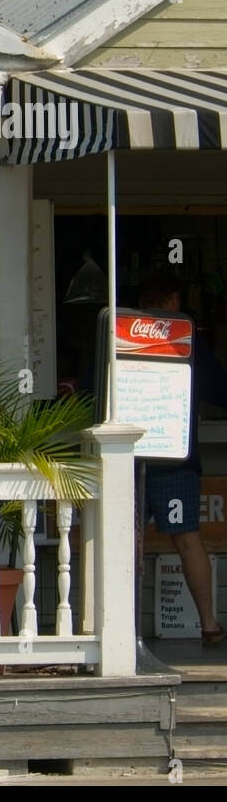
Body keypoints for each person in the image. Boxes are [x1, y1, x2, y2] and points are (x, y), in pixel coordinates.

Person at [138, 272, 226, 646]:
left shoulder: (119, 337)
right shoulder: (186, 341)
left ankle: (117, 627)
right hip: (174, 457)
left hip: (130, 456)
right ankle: (209, 626)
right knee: (188, 540)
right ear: (174, 300)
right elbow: (220, 391)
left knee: (126, 540)